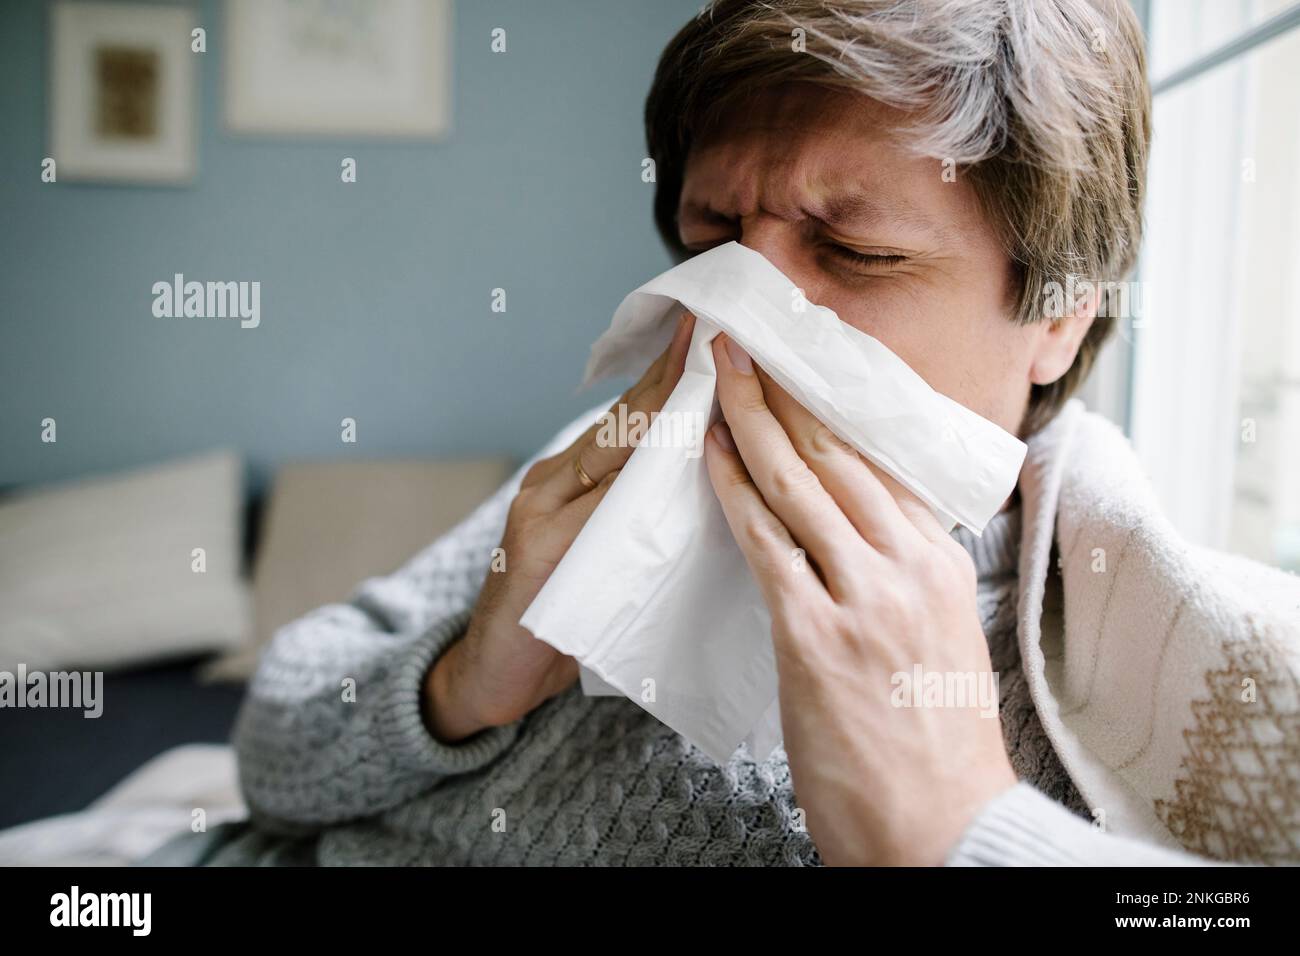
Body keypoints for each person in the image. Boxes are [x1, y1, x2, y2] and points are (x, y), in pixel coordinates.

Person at [159, 0, 1299, 866]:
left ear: (1057, 314)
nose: (735, 320)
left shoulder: (1149, 649)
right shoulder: (603, 475)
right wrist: (457, 685)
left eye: (855, 253)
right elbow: (272, 742)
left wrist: (963, 826)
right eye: (711, 238)